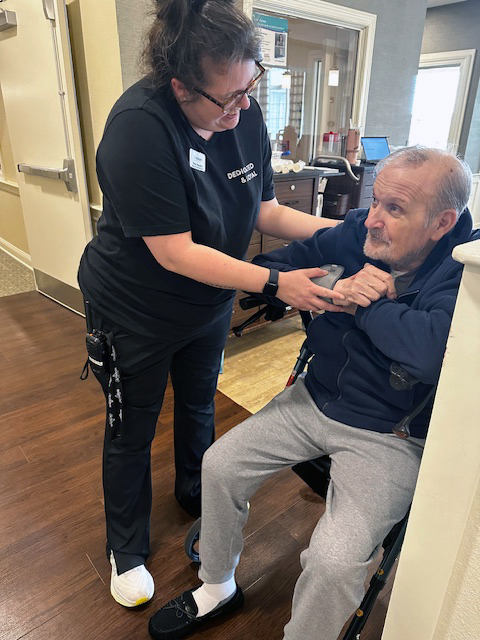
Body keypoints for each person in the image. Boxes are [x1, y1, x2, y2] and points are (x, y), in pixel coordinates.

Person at [148, 146, 479, 640]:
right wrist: (340, 284)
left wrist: (362, 309)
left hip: (390, 434)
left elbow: (430, 352)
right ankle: (216, 586)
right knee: (218, 465)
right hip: (315, 397)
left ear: (440, 222)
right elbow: (272, 269)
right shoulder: (355, 231)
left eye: (395, 209)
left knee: (334, 560)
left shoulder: (462, 270)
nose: (373, 221)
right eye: (376, 201)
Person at [77, 0, 343, 609]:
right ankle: (128, 547)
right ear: (180, 87)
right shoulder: (138, 129)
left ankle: (196, 489)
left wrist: (339, 233)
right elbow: (174, 251)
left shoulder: (241, 113)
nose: (242, 109)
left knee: (198, 402)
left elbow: (264, 210)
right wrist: (276, 285)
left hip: (208, 305)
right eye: (226, 99)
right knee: (132, 427)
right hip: (134, 309)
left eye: (250, 88)